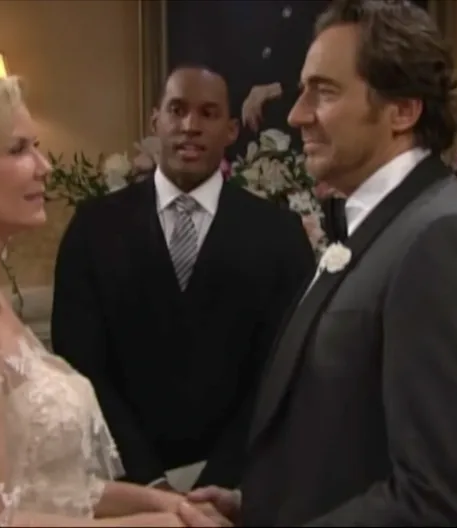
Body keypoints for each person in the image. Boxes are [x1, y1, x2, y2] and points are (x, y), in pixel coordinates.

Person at [181, 0, 457, 525]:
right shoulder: (384, 225)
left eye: (323, 92)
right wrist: (254, 509)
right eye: (303, 91)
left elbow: (441, 502)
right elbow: (345, 441)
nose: (297, 114)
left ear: (402, 110)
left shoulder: (450, 238)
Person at [0, 74, 218, 527]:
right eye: (18, 150)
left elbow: (46, 490)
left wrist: (160, 504)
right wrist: (160, 527)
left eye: (36, 147)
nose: (45, 167)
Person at [51, 65, 315, 495]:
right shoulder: (93, 228)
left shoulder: (280, 235)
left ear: (231, 130)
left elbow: (283, 371)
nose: (190, 125)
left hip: (238, 490)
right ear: (155, 121)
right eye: (177, 110)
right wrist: (148, 482)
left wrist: (220, 485)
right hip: (123, 485)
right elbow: (80, 364)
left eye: (208, 113)